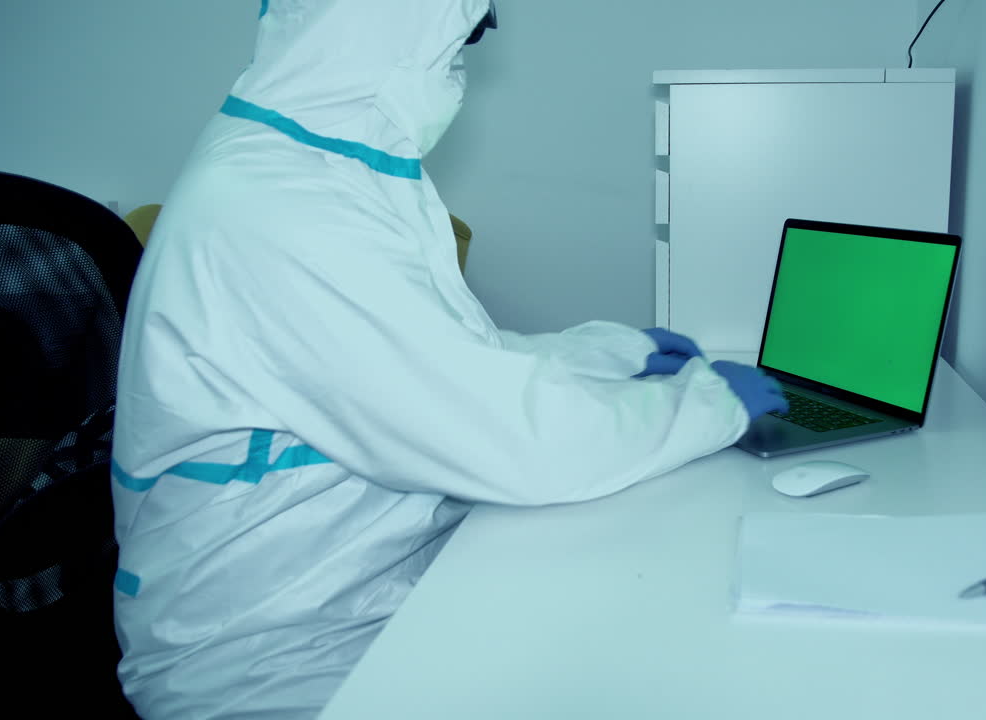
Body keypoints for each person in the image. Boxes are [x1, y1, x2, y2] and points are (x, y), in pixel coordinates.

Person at [109, 1, 788, 717]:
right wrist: (710, 403)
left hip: (348, 606)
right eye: (455, 36)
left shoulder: (321, 166)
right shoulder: (277, 212)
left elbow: (445, 361)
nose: (462, 59)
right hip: (261, 667)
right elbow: (515, 441)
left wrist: (616, 353)